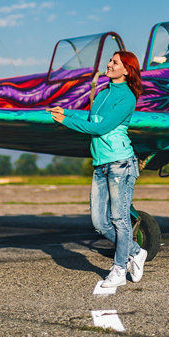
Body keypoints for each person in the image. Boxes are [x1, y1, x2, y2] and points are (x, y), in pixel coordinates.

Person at [47, 51, 148, 288]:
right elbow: (92, 117)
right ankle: (136, 252)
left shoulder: (128, 98)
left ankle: (119, 270)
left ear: (127, 70)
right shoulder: (103, 93)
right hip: (100, 164)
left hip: (120, 164)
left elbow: (101, 128)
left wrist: (66, 122)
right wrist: (66, 112)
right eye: (110, 61)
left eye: (115, 62)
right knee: (99, 223)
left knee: (119, 219)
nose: (109, 64)